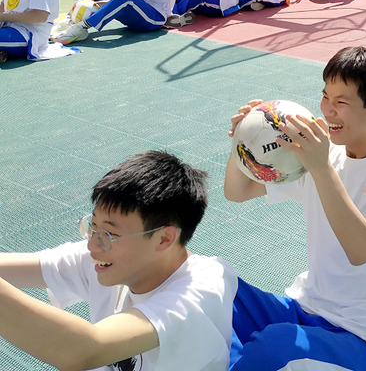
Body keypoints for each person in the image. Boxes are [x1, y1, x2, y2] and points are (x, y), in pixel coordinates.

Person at [226, 47, 366, 371]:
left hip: (358, 338)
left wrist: (321, 168)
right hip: (304, 307)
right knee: (218, 285)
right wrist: (243, 146)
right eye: (325, 97)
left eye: (341, 102)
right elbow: (238, 191)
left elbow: (361, 248)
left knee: (274, 345)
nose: (327, 111)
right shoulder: (321, 154)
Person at [0, 151, 237, 371]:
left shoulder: (200, 290)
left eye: (109, 234)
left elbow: (83, 350)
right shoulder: (107, 257)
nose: (92, 245)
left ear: (164, 238)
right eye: (93, 226)